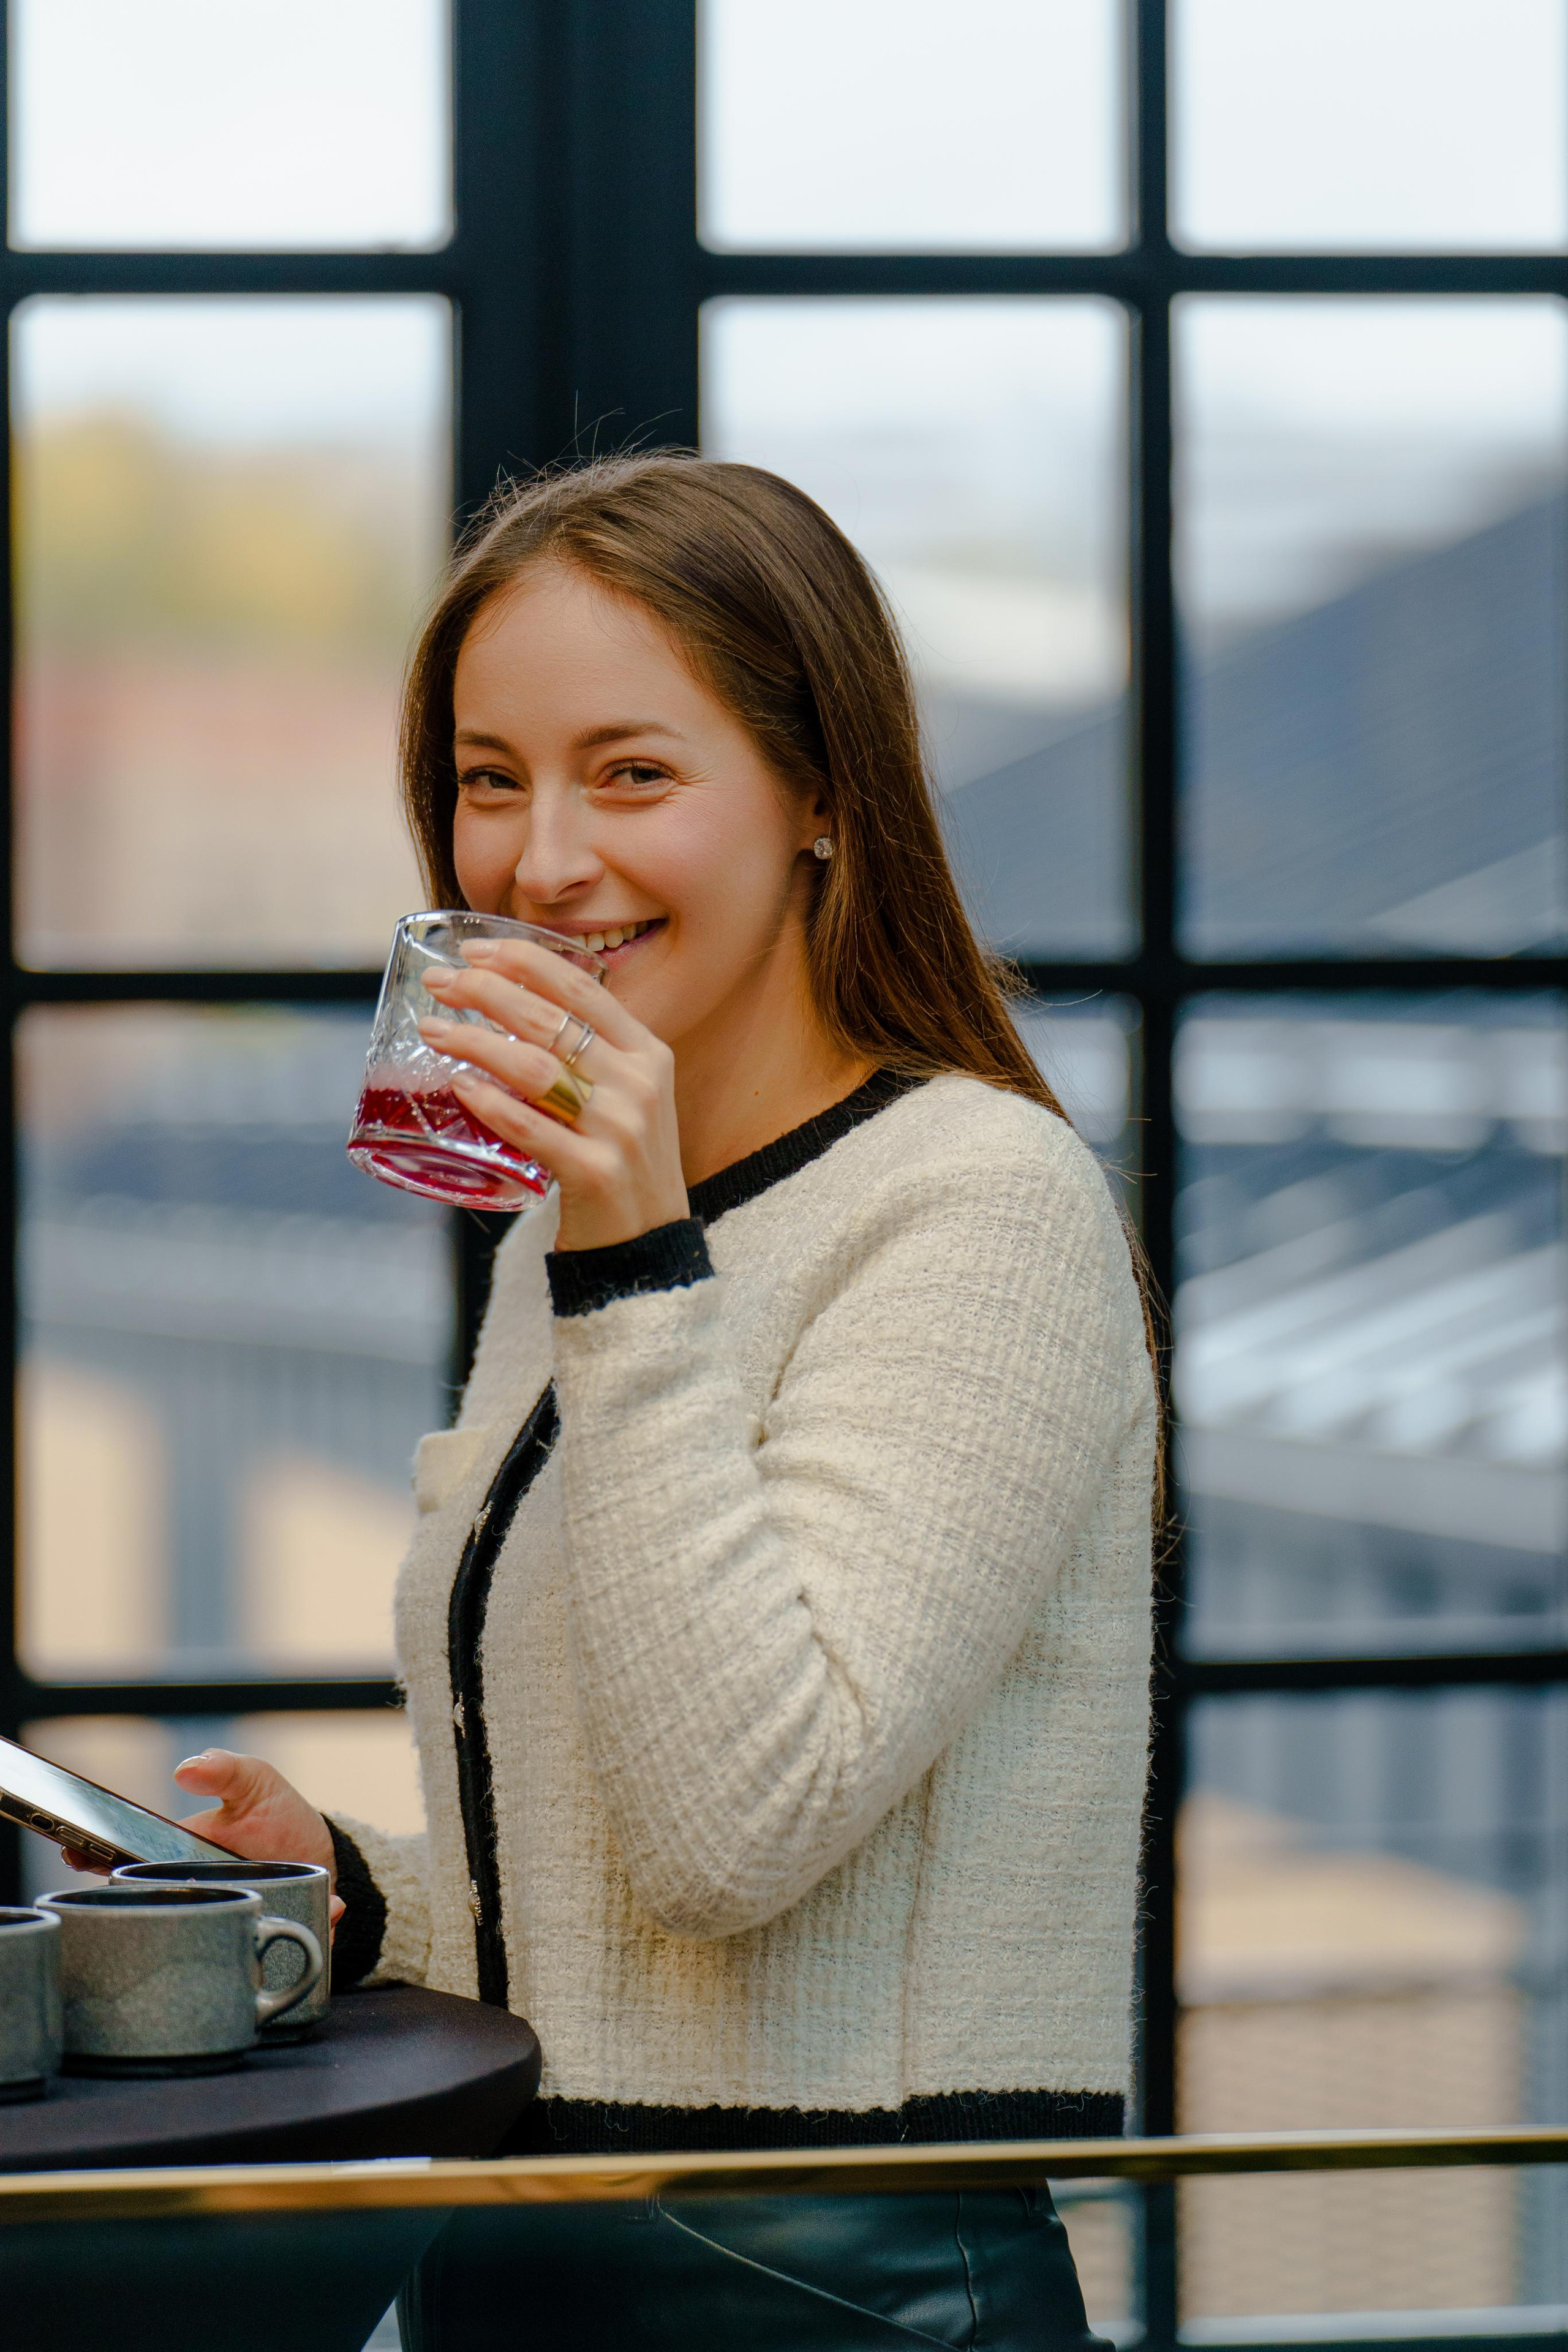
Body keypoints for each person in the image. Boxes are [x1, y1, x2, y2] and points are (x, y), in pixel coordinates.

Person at [173, 453, 1158, 2350]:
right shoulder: (589, 1219)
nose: (543, 864)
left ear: (819, 797)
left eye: (633, 773)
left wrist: (629, 1254)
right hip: (525, 2253)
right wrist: (360, 1895)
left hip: (827, 2290)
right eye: (488, 779)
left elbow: (737, 1834)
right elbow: (634, 1911)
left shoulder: (974, 1203)